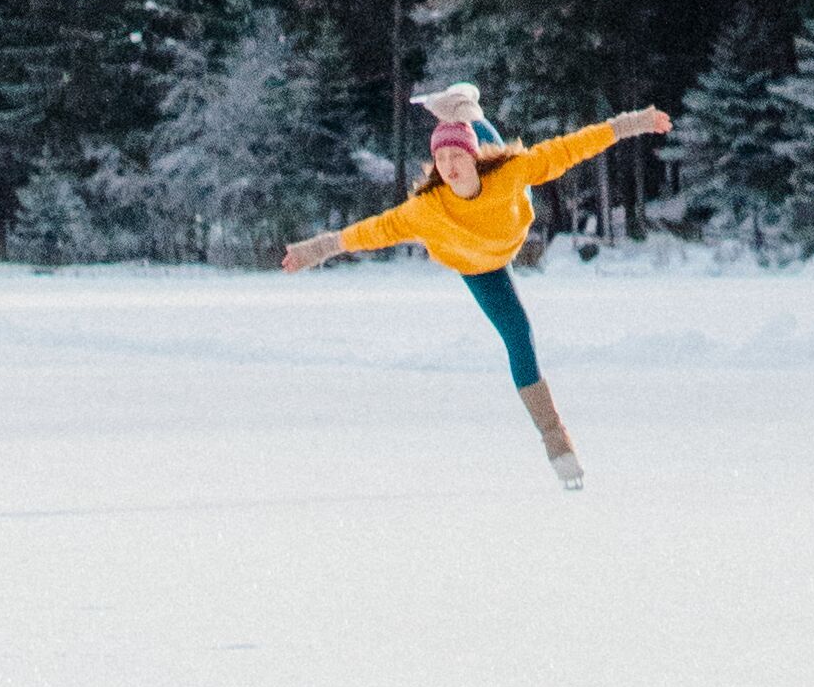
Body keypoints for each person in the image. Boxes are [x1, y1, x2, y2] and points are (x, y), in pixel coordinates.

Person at [281, 76, 672, 487]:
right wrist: (313, 251)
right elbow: (369, 232)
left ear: (470, 159)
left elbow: (573, 147)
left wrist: (637, 122)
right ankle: (558, 444)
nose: (449, 166)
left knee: (491, 143)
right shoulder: (426, 209)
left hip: (507, 222)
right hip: (479, 266)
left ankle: (464, 106)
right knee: (518, 334)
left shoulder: (507, 173)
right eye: (441, 158)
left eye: (457, 156)